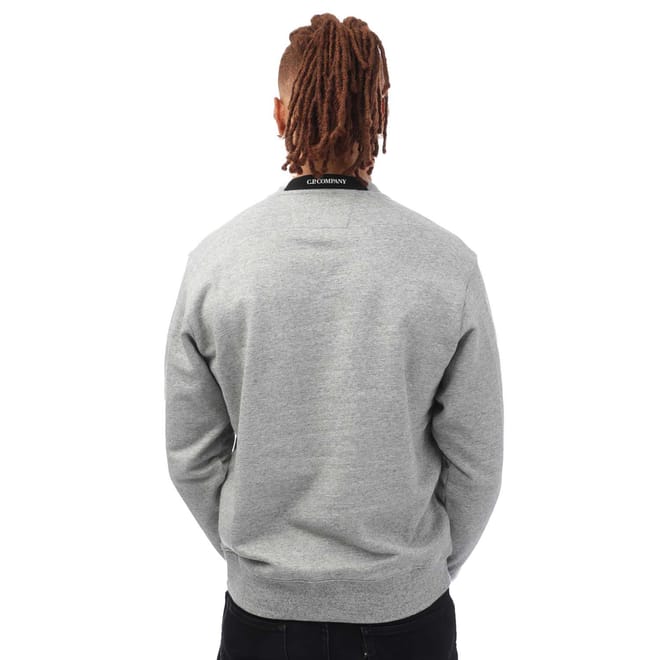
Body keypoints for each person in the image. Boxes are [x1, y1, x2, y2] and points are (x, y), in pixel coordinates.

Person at [164, 12, 503, 660]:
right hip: (408, 617)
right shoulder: (445, 266)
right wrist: (413, 572)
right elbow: (477, 463)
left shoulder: (216, 264)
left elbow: (192, 456)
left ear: (279, 115)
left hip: (262, 616)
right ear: (380, 114)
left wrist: (259, 561)